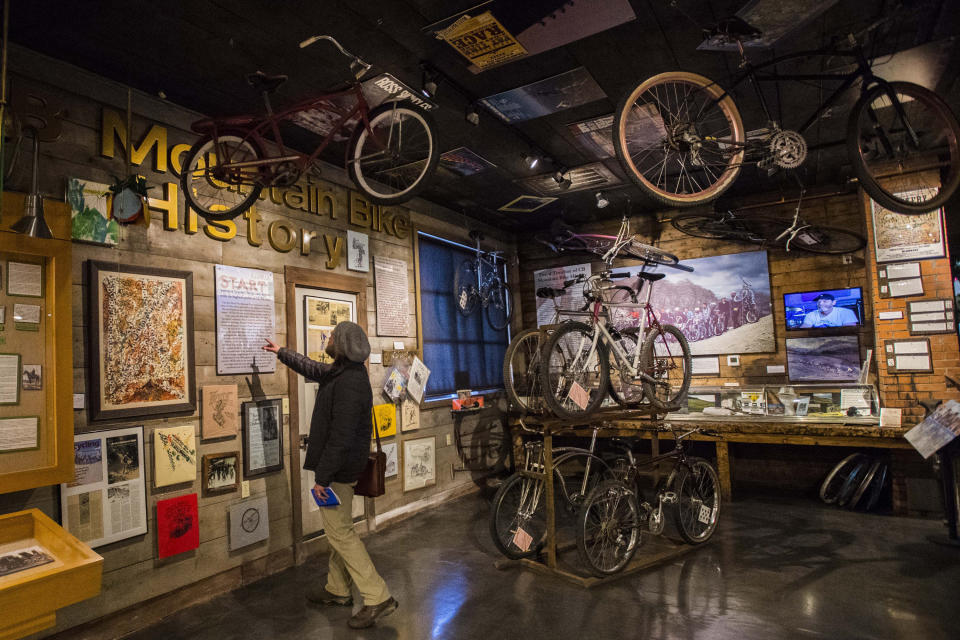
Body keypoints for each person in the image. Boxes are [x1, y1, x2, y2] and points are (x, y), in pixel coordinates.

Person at [263, 322, 398, 629]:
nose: (329, 338)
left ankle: (377, 596)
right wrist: (281, 352)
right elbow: (312, 368)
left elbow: (341, 437)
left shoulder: (350, 382)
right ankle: (338, 590)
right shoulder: (344, 372)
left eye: (333, 336)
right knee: (341, 527)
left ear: (343, 344)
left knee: (340, 533)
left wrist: (322, 478)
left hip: (339, 470)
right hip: (343, 468)